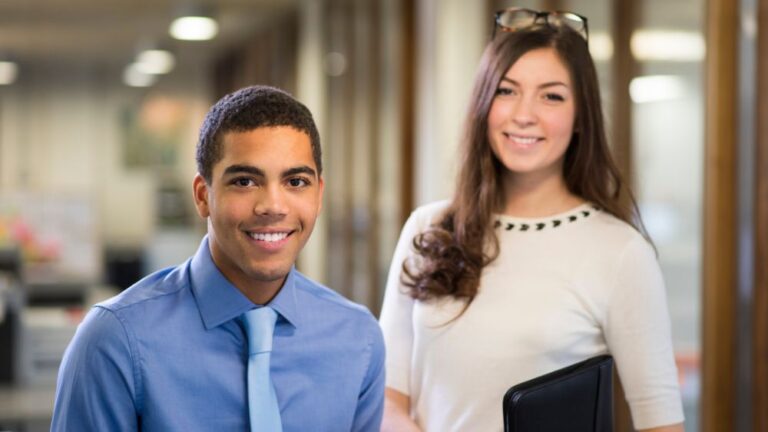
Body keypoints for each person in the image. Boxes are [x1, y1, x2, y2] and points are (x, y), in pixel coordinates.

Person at [379, 8, 684, 432]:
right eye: (506, 91)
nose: (524, 114)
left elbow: (660, 421)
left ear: (581, 118)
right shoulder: (426, 227)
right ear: (484, 103)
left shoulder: (620, 252)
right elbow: (388, 396)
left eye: (551, 96)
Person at [51, 85, 385, 431]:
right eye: (244, 181)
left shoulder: (358, 339)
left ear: (318, 195)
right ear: (202, 196)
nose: (272, 206)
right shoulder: (115, 341)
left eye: (296, 181)